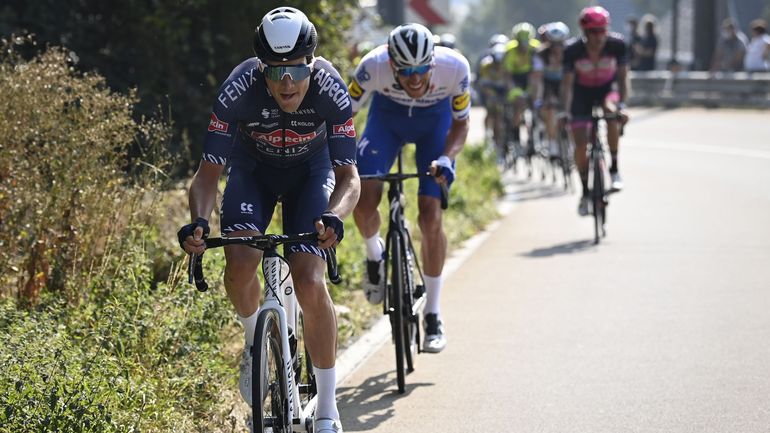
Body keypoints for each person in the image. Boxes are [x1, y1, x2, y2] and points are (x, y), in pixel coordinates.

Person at [177, 7, 360, 433]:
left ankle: (328, 410)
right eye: (275, 70)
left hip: (311, 174)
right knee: (239, 265)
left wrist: (334, 214)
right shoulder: (237, 89)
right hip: (253, 172)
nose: (286, 82)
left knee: (310, 279)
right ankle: (253, 342)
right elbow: (206, 176)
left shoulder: (331, 90)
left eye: (296, 69)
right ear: (262, 67)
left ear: (310, 62)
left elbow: (350, 177)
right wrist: (199, 221)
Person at [347, 23, 471, 353]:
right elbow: (343, 116)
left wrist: (447, 157)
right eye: (405, 71)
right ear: (391, 64)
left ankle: (432, 312)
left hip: (435, 126)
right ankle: (375, 254)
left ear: (432, 62)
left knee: (430, 218)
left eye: (421, 70)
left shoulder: (455, 68)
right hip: (387, 121)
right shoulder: (371, 66)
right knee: (364, 196)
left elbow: (461, 124)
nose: (415, 79)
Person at [561, 6, 629, 216]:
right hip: (581, 93)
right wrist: (565, 111)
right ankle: (585, 192)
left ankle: (614, 168)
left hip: (607, 91)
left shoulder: (617, 45)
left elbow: (623, 78)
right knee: (581, 144)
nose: (599, 36)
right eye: (594, 32)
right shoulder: (572, 51)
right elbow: (567, 85)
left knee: (611, 114)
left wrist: (623, 106)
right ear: (585, 32)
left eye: (602, 30)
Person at [503, 22, 543, 170]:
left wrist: (535, 94)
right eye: (521, 43)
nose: (524, 46)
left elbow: (538, 72)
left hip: (530, 77)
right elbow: (507, 75)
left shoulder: (536, 47)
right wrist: (513, 91)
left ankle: (538, 131)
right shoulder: (510, 50)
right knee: (519, 104)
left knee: (536, 97)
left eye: (526, 43)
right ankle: (516, 137)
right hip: (515, 78)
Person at [536, 21, 571, 160]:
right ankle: (552, 143)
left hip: (564, 82)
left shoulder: (571, 52)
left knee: (570, 108)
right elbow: (537, 78)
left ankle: (570, 143)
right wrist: (538, 98)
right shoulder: (541, 54)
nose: (557, 48)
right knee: (550, 108)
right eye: (554, 44)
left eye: (560, 44)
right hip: (547, 85)